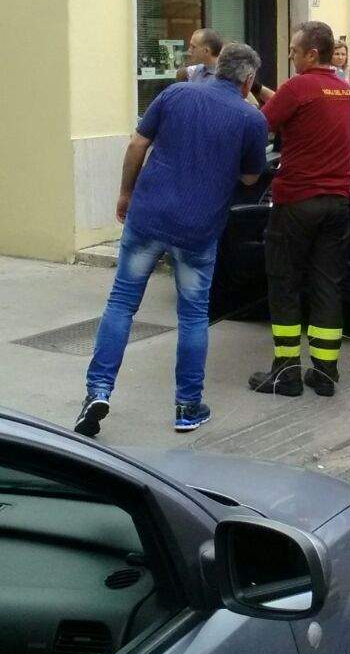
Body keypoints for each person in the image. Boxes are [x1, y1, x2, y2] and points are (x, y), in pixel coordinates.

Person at [75, 43, 268, 436]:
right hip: (198, 228)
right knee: (193, 315)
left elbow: (137, 144)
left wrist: (125, 193)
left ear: (217, 69)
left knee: (121, 303)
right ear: (248, 81)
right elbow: (251, 178)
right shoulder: (251, 119)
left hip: (148, 215)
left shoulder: (176, 93)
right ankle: (187, 406)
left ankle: (97, 391)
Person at [250, 21, 350, 398]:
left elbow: (261, 125)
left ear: (312, 53)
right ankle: (325, 373)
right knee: (327, 285)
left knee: (285, 283)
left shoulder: (298, 87)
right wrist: (259, 89)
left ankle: (287, 373)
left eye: (294, 50)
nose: (291, 55)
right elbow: (300, 106)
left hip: (297, 201)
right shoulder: (343, 90)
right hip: (337, 202)